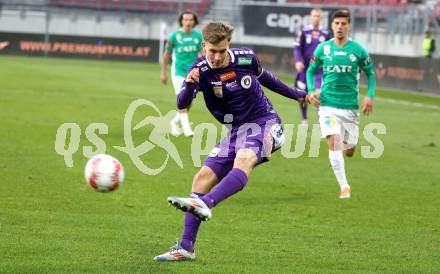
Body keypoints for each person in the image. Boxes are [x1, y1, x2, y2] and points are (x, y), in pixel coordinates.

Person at [154, 22, 307, 261]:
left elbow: (268, 79)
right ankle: (185, 247)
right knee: (201, 178)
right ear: (203, 46)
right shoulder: (200, 70)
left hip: (266, 123)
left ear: (228, 46)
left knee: (244, 159)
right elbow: (182, 104)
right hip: (237, 131)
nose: (216, 56)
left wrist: (299, 95)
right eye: (211, 50)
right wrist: (190, 84)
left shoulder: (246, 59)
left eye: (221, 51)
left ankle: (206, 203)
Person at [306, 9, 376, 199]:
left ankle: (349, 147)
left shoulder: (358, 50)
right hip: (327, 105)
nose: (340, 27)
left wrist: (369, 96)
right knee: (333, 141)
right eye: (337, 23)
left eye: (343, 24)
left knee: (350, 149)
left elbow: (370, 73)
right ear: (331, 26)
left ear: (349, 26)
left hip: (350, 107)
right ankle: (344, 187)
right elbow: (311, 71)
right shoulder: (323, 49)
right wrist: (311, 91)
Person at [160, 10, 203, 137]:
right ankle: (187, 130)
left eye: (190, 19)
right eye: (185, 19)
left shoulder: (198, 36)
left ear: (194, 21)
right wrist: (163, 73)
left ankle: (174, 122)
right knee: (183, 98)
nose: (188, 22)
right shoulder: (174, 37)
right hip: (178, 72)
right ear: (181, 21)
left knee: (189, 101)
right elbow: (166, 55)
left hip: (192, 73)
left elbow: (202, 54)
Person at [293, 8, 331, 124]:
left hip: (319, 70)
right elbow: (297, 48)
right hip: (304, 70)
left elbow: (329, 51)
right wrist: (298, 61)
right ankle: (304, 119)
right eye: (314, 16)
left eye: (318, 16)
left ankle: (321, 120)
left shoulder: (326, 34)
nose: (316, 18)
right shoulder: (303, 31)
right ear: (311, 17)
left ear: (321, 18)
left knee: (319, 94)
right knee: (302, 95)